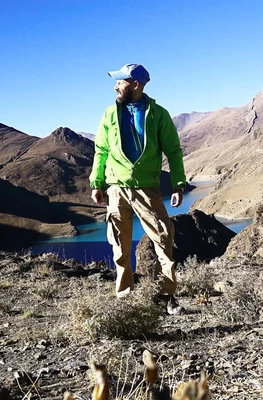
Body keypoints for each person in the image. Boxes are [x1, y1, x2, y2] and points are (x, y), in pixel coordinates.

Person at [89, 63, 186, 314]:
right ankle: (125, 298)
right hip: (116, 188)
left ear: (135, 84)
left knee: (163, 238)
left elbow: (173, 151)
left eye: (120, 82)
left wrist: (178, 183)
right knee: (120, 245)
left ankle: (167, 295)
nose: (115, 86)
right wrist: (97, 182)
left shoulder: (158, 114)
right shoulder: (110, 114)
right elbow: (101, 151)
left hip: (147, 189)